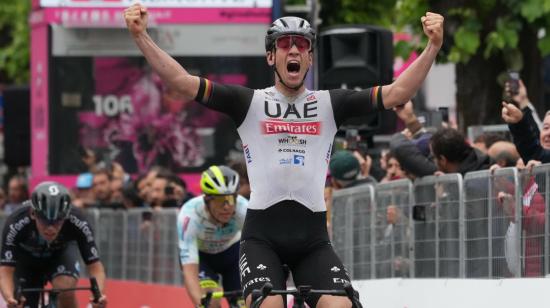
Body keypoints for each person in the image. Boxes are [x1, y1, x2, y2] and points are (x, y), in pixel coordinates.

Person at [125, 4, 443, 307]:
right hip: (262, 237)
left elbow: (399, 92)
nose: (294, 50)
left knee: (342, 304)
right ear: (270, 56)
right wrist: (141, 36)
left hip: (313, 240)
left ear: (309, 59)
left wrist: (432, 46)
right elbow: (181, 83)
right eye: (285, 44)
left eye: (302, 45)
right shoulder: (247, 102)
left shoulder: (331, 103)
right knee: (269, 304)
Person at [0, 181, 107, 308]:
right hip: (25, 260)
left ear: (66, 216)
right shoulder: (16, 222)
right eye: (44, 220)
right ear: (33, 214)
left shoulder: (78, 221)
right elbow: (5, 270)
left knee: (65, 288)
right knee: (19, 302)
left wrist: (98, 296)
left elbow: (95, 266)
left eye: (57, 221)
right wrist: (10, 298)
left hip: (60, 254)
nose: (50, 228)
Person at [177, 166, 247, 308]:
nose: (227, 207)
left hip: (232, 254)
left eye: (231, 199)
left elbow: (257, 246)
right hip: (202, 258)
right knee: (210, 301)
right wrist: (201, 305)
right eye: (220, 201)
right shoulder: (189, 215)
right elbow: (189, 271)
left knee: (243, 304)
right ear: (207, 201)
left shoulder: (244, 209)